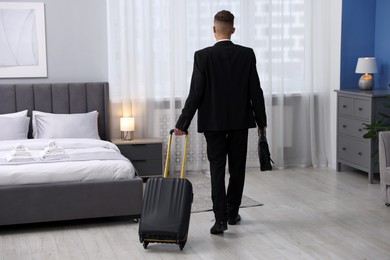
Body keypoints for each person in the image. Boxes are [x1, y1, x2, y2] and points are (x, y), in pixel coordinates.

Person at [174, 10, 267, 235]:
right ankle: (233, 212)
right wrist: (261, 121)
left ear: (214, 29)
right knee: (237, 169)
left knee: (216, 170)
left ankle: (220, 221)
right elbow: (256, 90)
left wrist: (182, 124)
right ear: (233, 30)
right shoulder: (247, 54)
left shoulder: (202, 56)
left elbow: (195, 93)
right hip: (239, 122)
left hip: (213, 124)